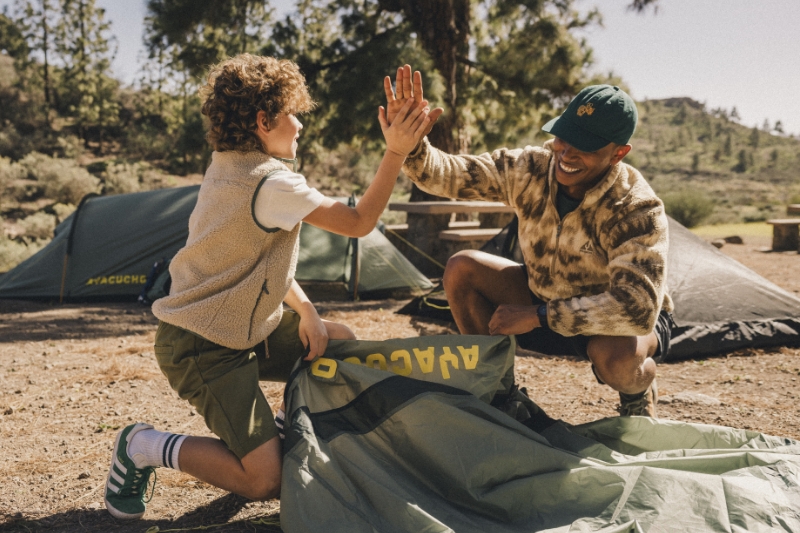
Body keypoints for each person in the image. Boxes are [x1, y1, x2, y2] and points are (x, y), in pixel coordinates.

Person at [104, 54, 433, 520]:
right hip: (202, 346)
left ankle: (282, 428)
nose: (299, 124)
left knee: (337, 342)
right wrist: (395, 152)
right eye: (292, 113)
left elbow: (257, 262)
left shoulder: (228, 165)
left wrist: (308, 310)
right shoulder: (270, 183)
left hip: (247, 330)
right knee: (265, 481)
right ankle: (143, 445)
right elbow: (360, 222)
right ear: (263, 120)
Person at [384, 65, 673, 419]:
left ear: (618, 154)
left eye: (584, 147)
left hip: (609, 321)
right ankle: (497, 393)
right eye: (564, 137)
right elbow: (452, 175)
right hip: (541, 294)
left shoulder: (636, 207)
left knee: (619, 362)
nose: (566, 153)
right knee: (463, 268)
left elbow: (637, 309)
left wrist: (539, 317)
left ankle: (637, 392)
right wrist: (412, 148)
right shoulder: (531, 168)